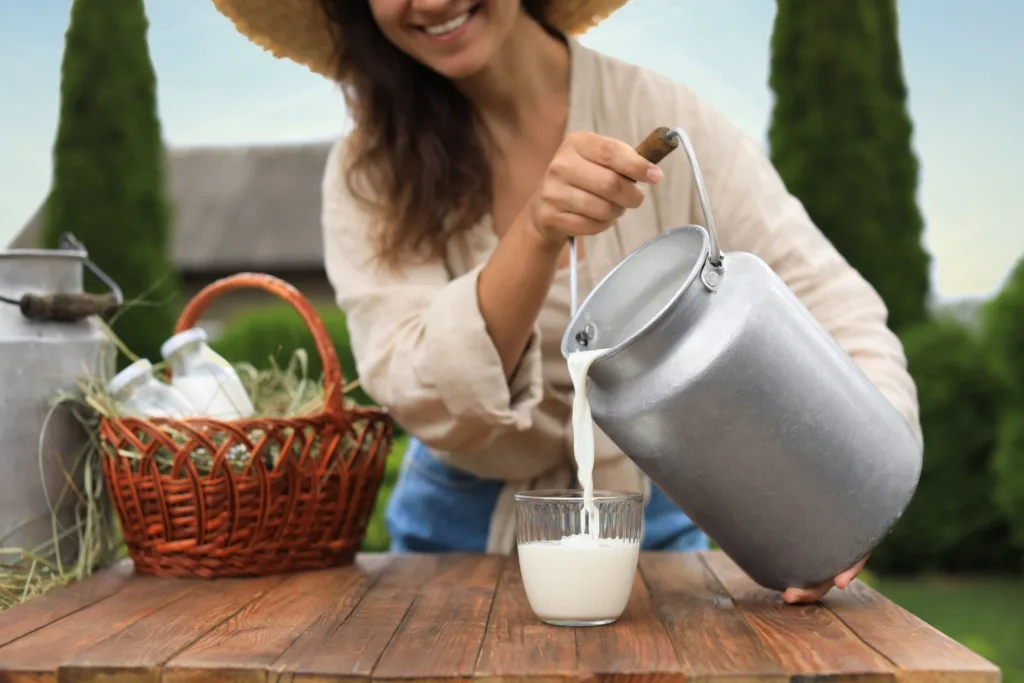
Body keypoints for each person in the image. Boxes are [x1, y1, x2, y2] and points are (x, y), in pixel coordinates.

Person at [210, 0, 923, 603]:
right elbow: (410, 384)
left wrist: (852, 491)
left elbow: (830, 305)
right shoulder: (371, 170)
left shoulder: (657, 116)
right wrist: (535, 232)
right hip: (451, 533)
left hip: (652, 519)